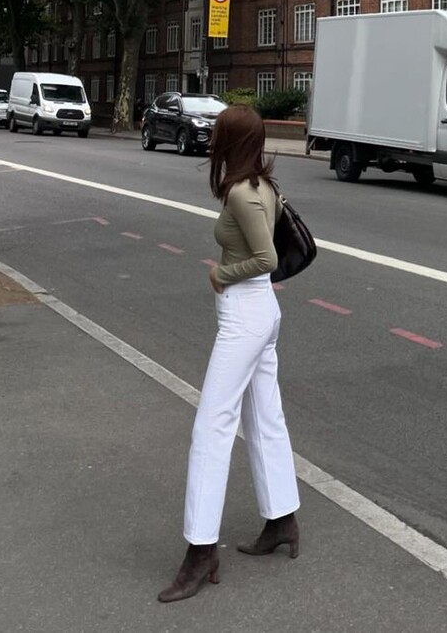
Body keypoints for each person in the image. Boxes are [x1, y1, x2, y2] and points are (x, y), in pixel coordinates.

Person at [157, 104, 301, 604]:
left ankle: (201, 552)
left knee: (211, 427)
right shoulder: (265, 185)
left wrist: (221, 274)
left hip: (245, 314)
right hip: (260, 313)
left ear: (230, 142)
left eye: (218, 134)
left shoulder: (242, 192)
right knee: (264, 416)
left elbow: (267, 257)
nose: (211, 140)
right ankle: (281, 518)